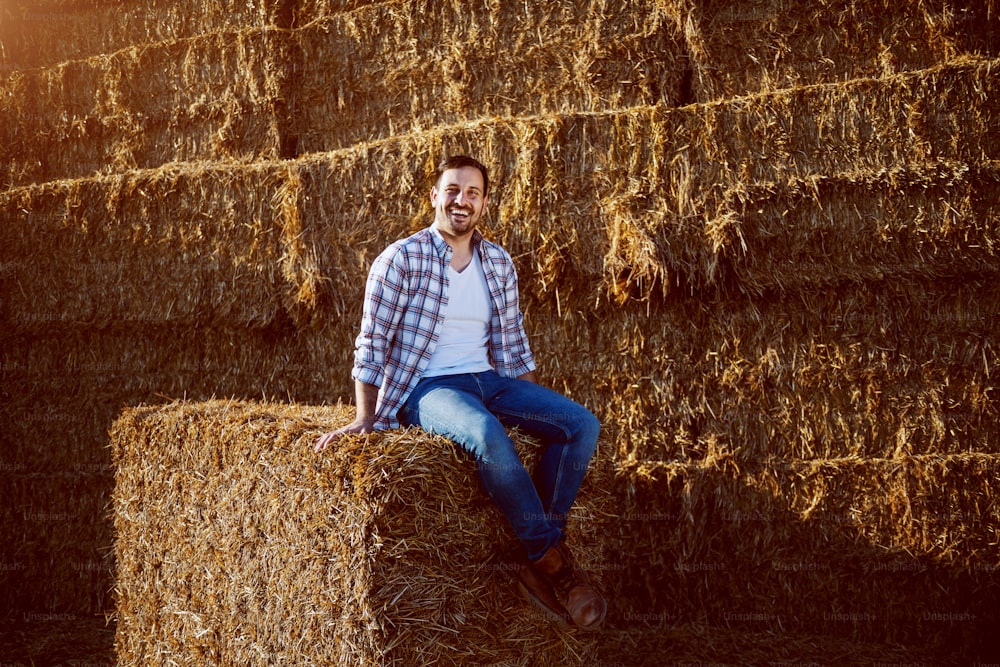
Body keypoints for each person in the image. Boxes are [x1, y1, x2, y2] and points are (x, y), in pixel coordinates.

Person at [315, 155, 606, 630]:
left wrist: (537, 413)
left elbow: (513, 343)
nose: (461, 201)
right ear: (434, 197)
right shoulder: (401, 258)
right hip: (426, 387)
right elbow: (372, 340)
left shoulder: (498, 262)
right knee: (488, 435)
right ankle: (555, 564)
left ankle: (537, 552)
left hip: (489, 380)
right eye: (452, 190)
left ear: (485, 202)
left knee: (580, 424)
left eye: (472, 193)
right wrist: (365, 416)